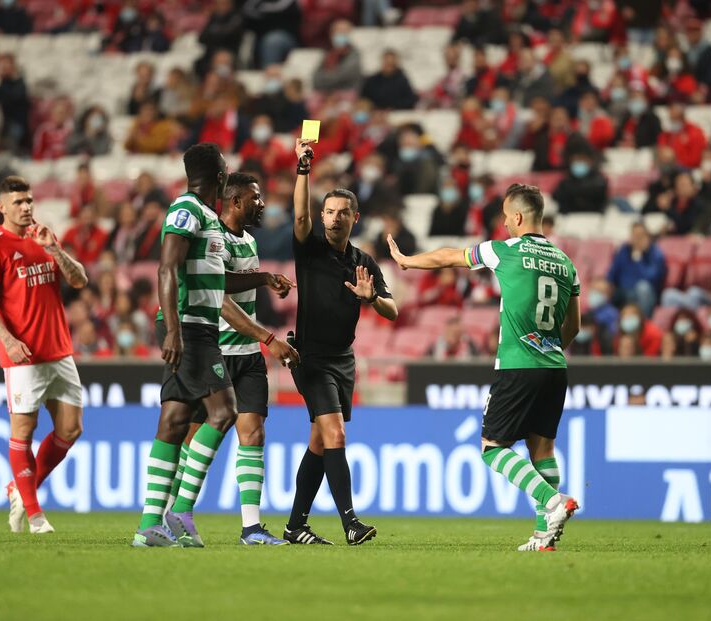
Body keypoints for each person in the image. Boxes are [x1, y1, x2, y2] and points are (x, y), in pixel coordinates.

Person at [387, 183, 581, 552]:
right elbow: (573, 327)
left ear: (519, 217)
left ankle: (554, 502)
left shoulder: (504, 250)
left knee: (493, 448)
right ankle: (544, 535)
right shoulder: (565, 263)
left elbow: (450, 256)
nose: (505, 225)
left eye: (507, 218)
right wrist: (549, 347)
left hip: (518, 365)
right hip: (555, 365)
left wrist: (408, 261)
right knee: (542, 449)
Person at [132, 144, 292, 548]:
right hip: (190, 327)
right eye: (225, 167)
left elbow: (217, 280)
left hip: (195, 327)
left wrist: (261, 278)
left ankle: (150, 524)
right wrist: (172, 329)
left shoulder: (205, 217)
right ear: (219, 175)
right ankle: (181, 508)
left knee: (174, 421)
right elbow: (167, 267)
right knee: (223, 412)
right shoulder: (186, 211)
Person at [169, 173, 299, 546]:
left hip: (247, 357)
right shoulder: (216, 240)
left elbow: (241, 284)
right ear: (236, 201)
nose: (262, 203)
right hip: (217, 352)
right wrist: (268, 338)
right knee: (193, 438)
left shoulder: (250, 241)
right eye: (256, 198)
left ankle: (252, 528)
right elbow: (220, 297)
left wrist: (265, 279)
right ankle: (174, 514)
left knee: (253, 433)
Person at [285, 139, 398, 546]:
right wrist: (303, 168)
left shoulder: (364, 262)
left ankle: (296, 525)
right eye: (328, 212)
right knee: (335, 436)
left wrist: (372, 299)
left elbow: (392, 310)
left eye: (341, 213)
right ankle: (350, 522)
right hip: (310, 357)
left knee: (319, 440)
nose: (333, 218)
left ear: (355, 217)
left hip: (342, 359)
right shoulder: (310, 250)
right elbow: (299, 215)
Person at [0, 176, 89, 535]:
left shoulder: (44, 237)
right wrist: (7, 340)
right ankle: (35, 515)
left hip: (59, 351)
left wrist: (54, 249)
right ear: (1, 207)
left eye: (29, 201)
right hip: (23, 356)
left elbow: (80, 280)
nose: (26, 207)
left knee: (70, 429)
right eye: (18, 202)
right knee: (23, 431)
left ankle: (19, 490)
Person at [607, 223, 667, 316]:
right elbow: (612, 275)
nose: (637, 239)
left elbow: (652, 279)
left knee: (643, 288)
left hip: (645, 294)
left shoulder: (655, 253)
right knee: (603, 288)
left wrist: (639, 257)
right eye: (635, 235)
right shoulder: (624, 250)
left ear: (647, 237)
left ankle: (643, 323)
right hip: (624, 292)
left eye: (641, 236)